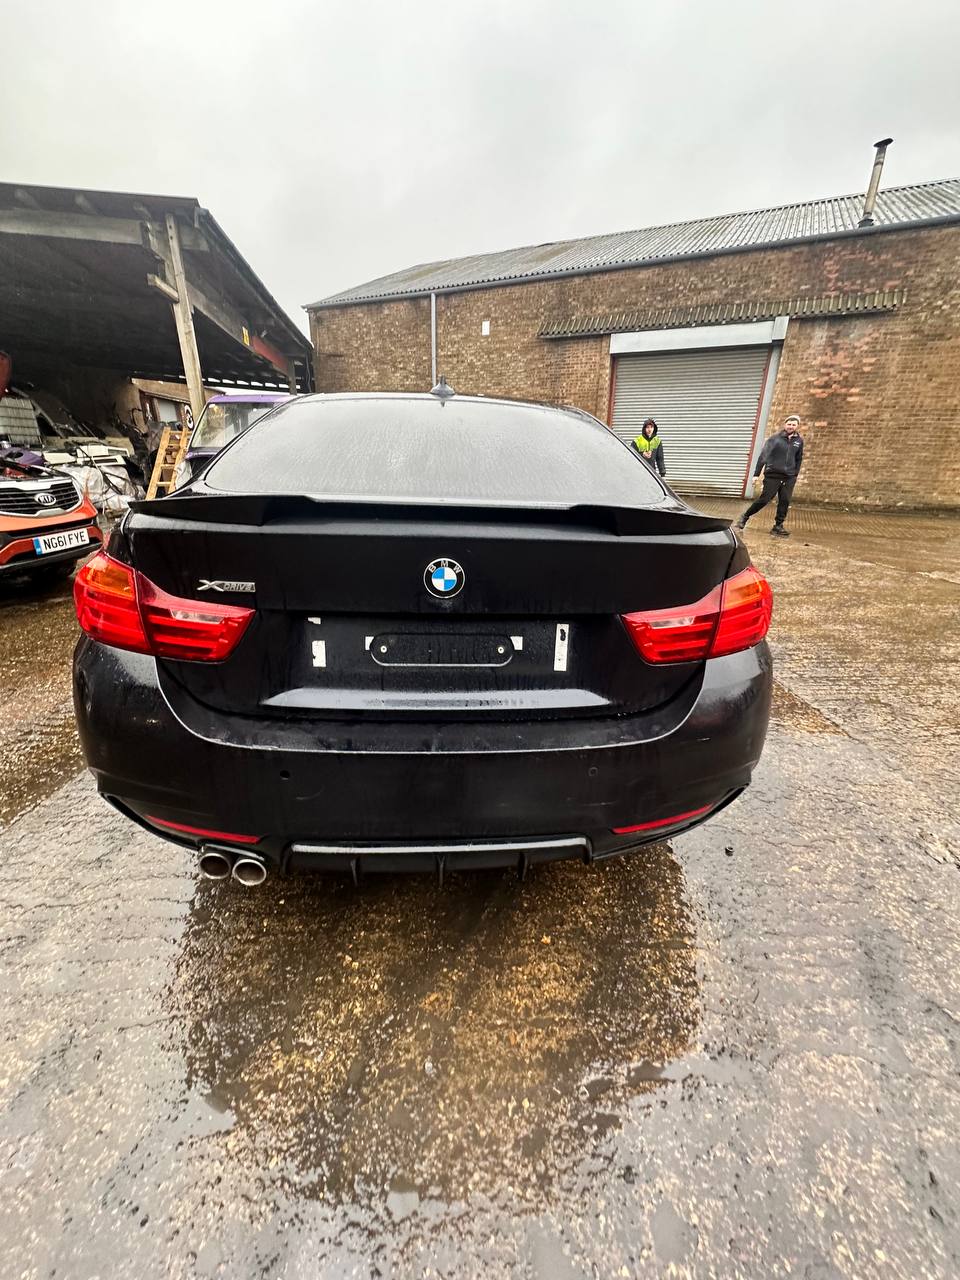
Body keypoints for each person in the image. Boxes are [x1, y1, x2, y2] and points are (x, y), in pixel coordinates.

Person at [735, 414, 804, 537]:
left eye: (794, 425)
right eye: (789, 424)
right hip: (773, 475)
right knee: (764, 499)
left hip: (789, 477)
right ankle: (745, 517)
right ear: (785, 424)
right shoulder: (774, 439)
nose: (791, 426)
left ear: (797, 426)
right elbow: (763, 457)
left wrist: (795, 474)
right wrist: (756, 474)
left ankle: (778, 526)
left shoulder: (799, 441)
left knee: (785, 501)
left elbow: (798, 458)